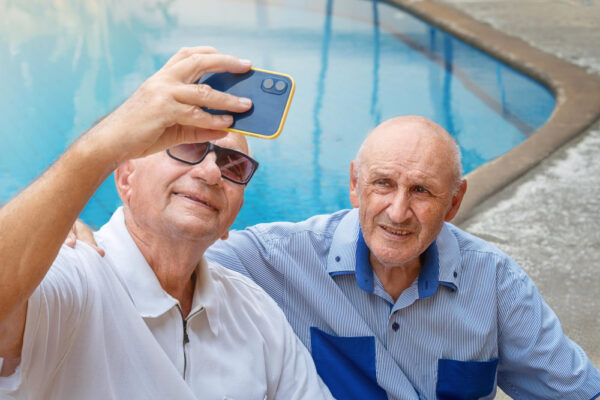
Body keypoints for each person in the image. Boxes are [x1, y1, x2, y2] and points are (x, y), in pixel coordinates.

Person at [70, 115, 600, 399]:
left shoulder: (496, 283)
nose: (398, 211)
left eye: (422, 191)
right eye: (383, 184)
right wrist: (74, 227)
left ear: (455, 201)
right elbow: (167, 247)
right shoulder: (271, 258)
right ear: (353, 184)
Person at [0, 47, 332, 400]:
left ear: (233, 216)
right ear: (125, 178)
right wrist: (100, 147)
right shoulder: (73, 280)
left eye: (233, 165)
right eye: (188, 147)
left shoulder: (256, 313)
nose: (211, 172)